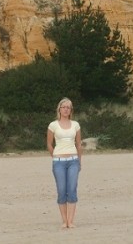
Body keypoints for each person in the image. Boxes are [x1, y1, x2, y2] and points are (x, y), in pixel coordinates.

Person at [47, 97, 82, 229]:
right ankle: (64, 221)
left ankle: (70, 221)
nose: (66, 109)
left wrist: (79, 162)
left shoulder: (76, 125)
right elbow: (49, 144)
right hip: (59, 162)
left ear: (71, 110)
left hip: (73, 161)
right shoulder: (53, 125)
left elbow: (79, 144)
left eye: (69, 107)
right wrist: (55, 157)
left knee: (72, 189)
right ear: (59, 109)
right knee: (62, 190)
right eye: (64, 107)